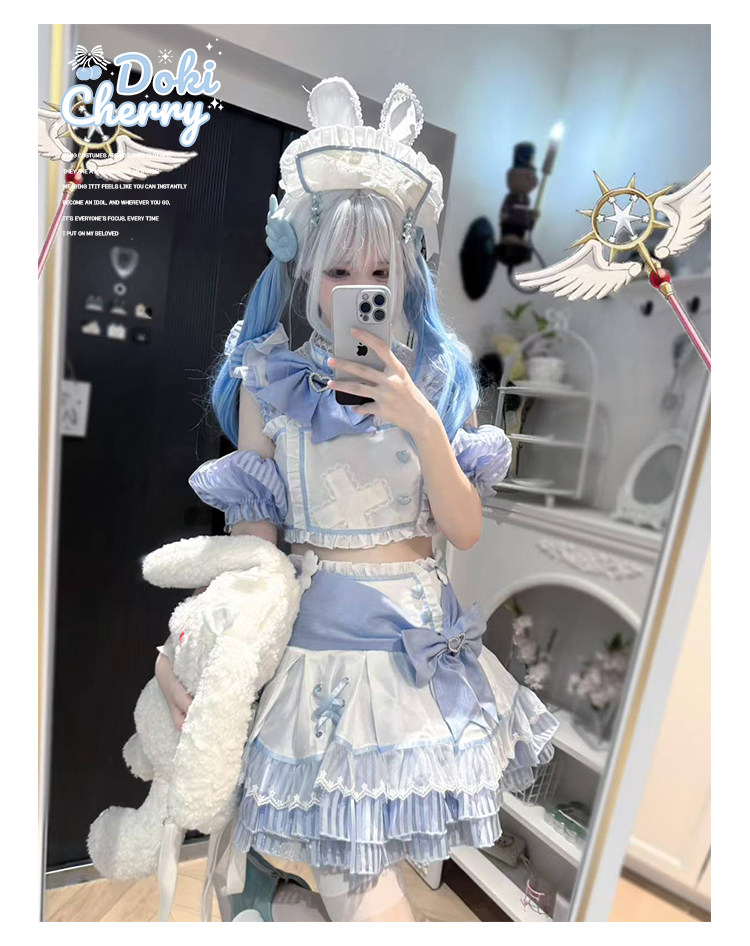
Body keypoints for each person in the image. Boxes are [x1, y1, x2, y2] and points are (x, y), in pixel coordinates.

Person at [155, 77, 559, 922]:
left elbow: (464, 529)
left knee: (366, 881)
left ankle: (280, 906)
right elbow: (254, 552)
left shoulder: (439, 379)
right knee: (345, 883)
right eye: (340, 269)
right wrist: (202, 645)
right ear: (307, 267)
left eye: (380, 270)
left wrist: (420, 419)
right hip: (313, 654)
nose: (361, 286)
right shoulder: (270, 378)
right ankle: (275, 903)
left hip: (417, 661)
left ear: (406, 270)